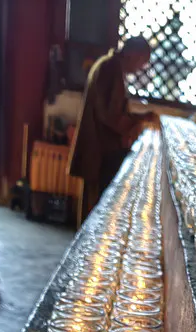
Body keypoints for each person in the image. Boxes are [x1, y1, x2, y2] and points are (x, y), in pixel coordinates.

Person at [69, 36, 156, 224]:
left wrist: (137, 119)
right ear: (133, 54)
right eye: (142, 62)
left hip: (100, 149)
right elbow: (109, 115)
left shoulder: (110, 66)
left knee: (95, 210)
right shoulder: (110, 68)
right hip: (98, 151)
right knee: (94, 214)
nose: (140, 68)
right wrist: (138, 121)